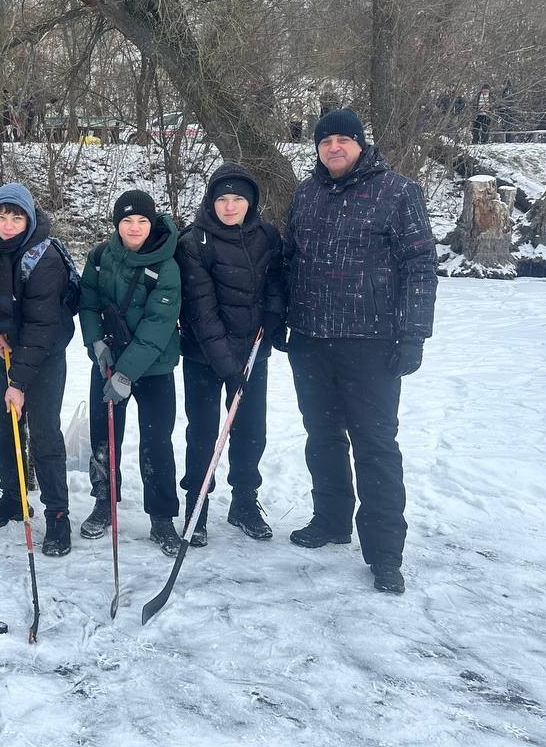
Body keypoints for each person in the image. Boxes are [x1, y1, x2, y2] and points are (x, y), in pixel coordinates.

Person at [283, 108, 437, 594]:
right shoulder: (304, 195)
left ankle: (385, 551)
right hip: (310, 341)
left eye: (343, 140)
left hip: (371, 344)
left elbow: (420, 266)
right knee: (322, 437)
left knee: (374, 446)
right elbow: (290, 260)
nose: (334, 148)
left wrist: (413, 334)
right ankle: (331, 520)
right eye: (325, 140)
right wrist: (282, 317)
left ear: (360, 144)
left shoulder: (398, 192)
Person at [175, 164, 285, 547]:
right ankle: (197, 505)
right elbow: (200, 310)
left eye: (237, 198)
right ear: (211, 201)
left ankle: (244, 501)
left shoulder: (267, 236)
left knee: (251, 431)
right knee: (203, 433)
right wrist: (227, 364)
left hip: (252, 352)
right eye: (222, 198)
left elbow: (276, 281)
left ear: (250, 201)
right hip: (204, 356)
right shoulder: (193, 242)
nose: (229, 206)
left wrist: (273, 316)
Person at [0, 183, 76, 557]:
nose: (8, 224)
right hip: (9, 350)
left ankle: (58, 515)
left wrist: (18, 383)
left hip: (44, 353)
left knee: (44, 432)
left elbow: (43, 326)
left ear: (29, 219)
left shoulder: (43, 257)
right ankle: (14, 497)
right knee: (5, 423)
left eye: (17, 217)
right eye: (2, 215)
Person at [77, 189, 183, 555]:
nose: (134, 227)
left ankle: (162, 517)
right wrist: (96, 344)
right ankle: (104, 502)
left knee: (157, 442)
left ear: (151, 222)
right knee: (104, 439)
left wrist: (126, 374)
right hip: (108, 361)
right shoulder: (101, 256)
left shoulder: (166, 265)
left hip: (154, 367)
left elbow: (158, 324)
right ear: (116, 224)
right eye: (127, 221)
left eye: (141, 220)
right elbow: (87, 302)